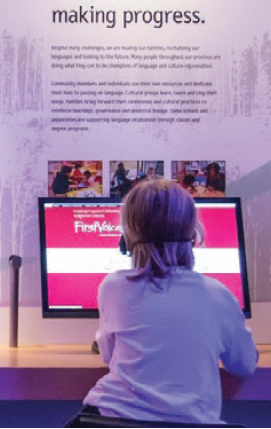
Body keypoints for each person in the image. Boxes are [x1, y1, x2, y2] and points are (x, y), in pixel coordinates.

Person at [78, 180, 257, 425]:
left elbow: (108, 357)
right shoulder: (218, 294)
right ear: (193, 235)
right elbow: (243, 365)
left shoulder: (112, 287)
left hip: (109, 419)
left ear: (127, 239)